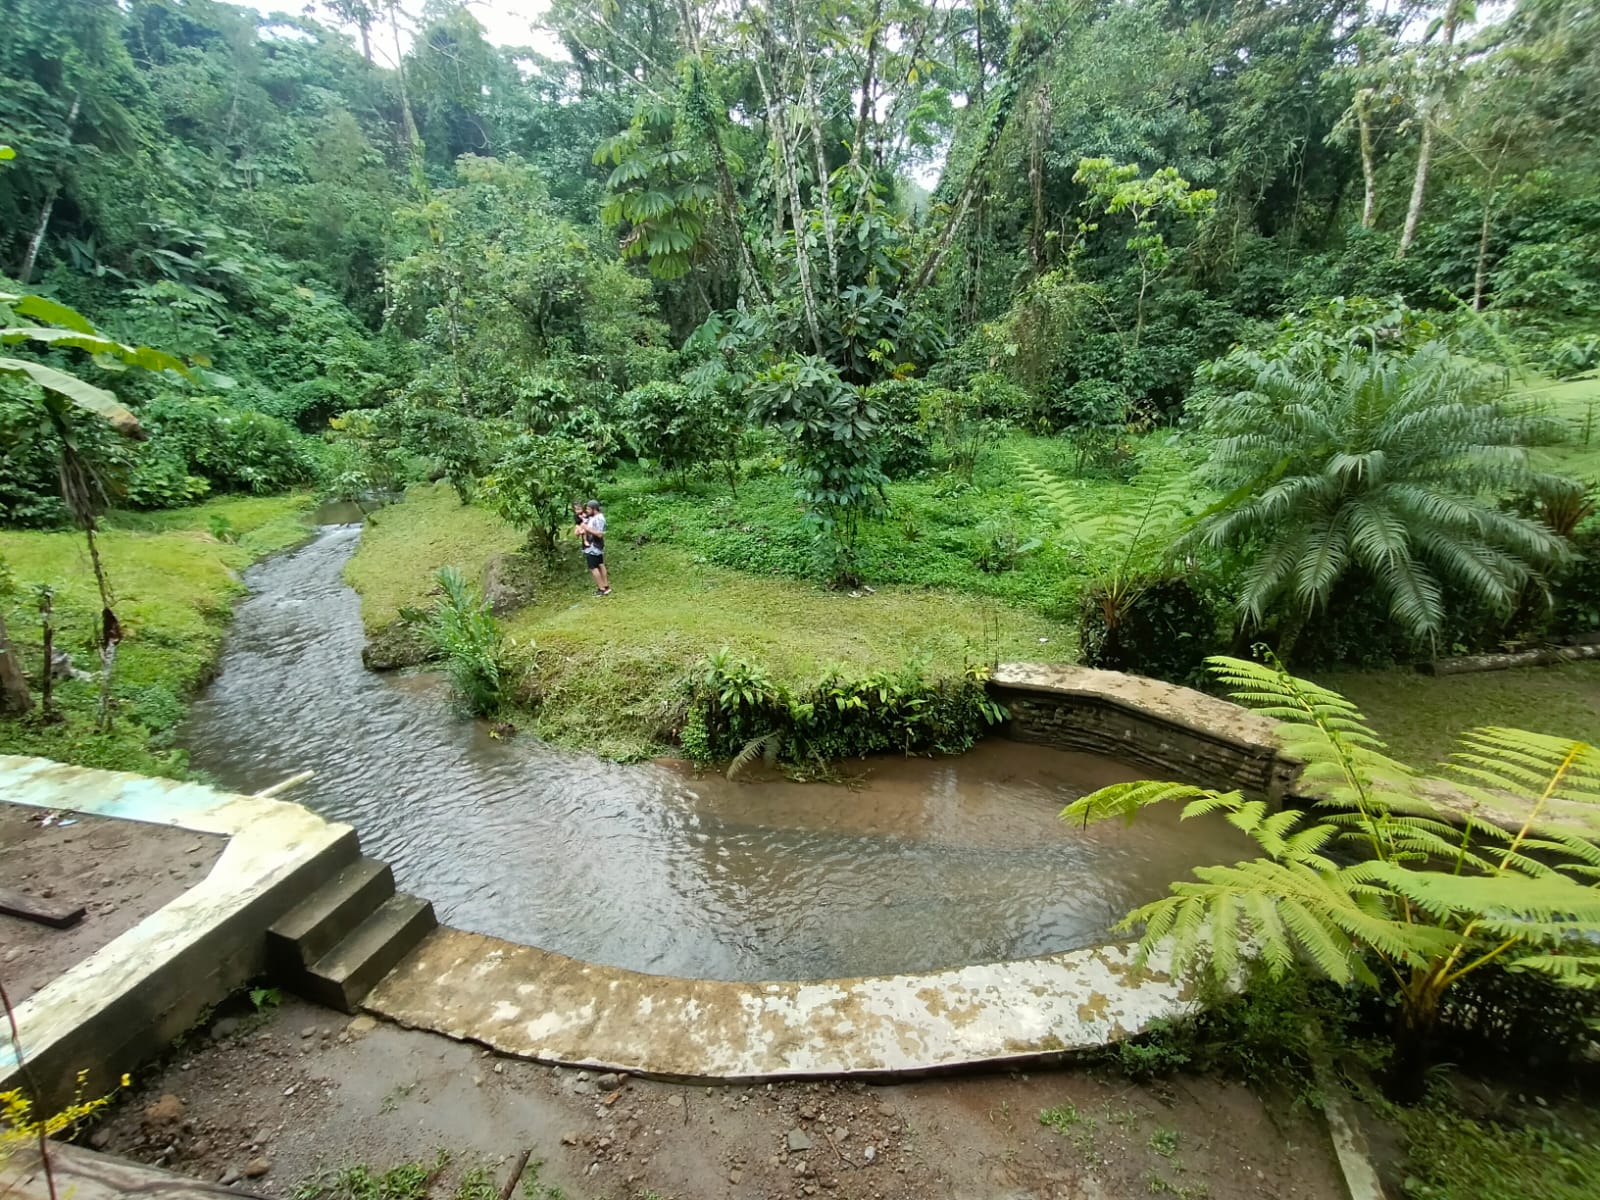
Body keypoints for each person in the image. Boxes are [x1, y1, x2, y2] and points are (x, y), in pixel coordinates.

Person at [577, 499, 610, 595]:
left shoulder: (599, 518)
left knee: (593, 567)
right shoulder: (593, 517)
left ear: (594, 509)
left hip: (594, 546)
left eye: (588, 509)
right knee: (600, 564)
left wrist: (586, 528)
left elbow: (599, 534)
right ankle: (606, 587)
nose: (587, 510)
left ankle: (602, 589)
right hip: (594, 546)